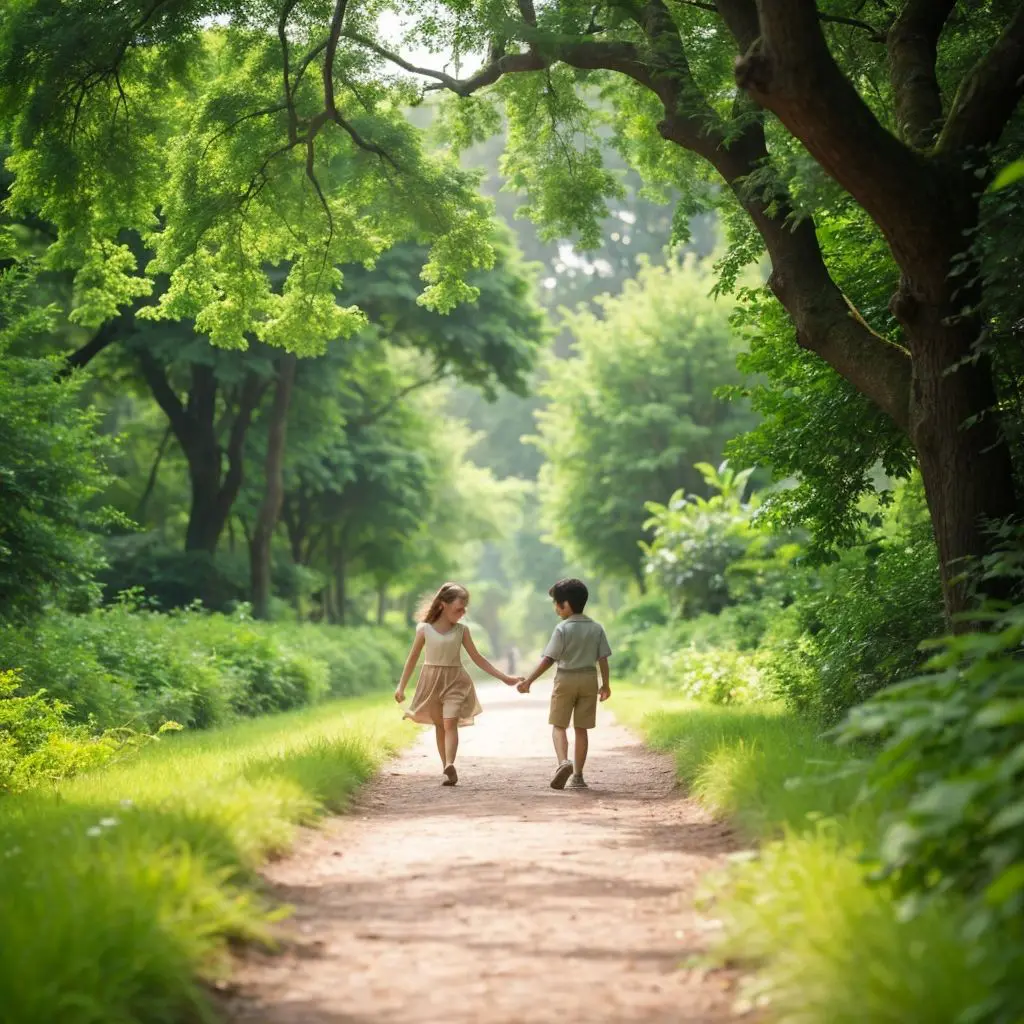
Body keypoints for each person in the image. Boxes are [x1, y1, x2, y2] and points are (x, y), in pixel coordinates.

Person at [394, 581, 520, 786]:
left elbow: (478, 658)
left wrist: (504, 677)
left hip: (455, 681)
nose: (462, 613)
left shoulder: (462, 631)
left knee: (450, 721)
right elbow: (412, 659)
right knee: (439, 725)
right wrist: (401, 686)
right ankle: (446, 768)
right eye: (458, 609)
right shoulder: (424, 629)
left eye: (464, 610)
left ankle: (450, 763)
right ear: (443, 604)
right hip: (431, 682)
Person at [517, 578, 611, 790]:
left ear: (565, 604)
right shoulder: (596, 628)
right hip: (588, 679)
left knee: (559, 725)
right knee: (581, 729)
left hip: (566, 678)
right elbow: (603, 659)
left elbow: (549, 659)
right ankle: (578, 776)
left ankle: (563, 762)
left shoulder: (562, 629)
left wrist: (529, 681)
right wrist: (605, 685)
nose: (555, 608)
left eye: (556, 603)